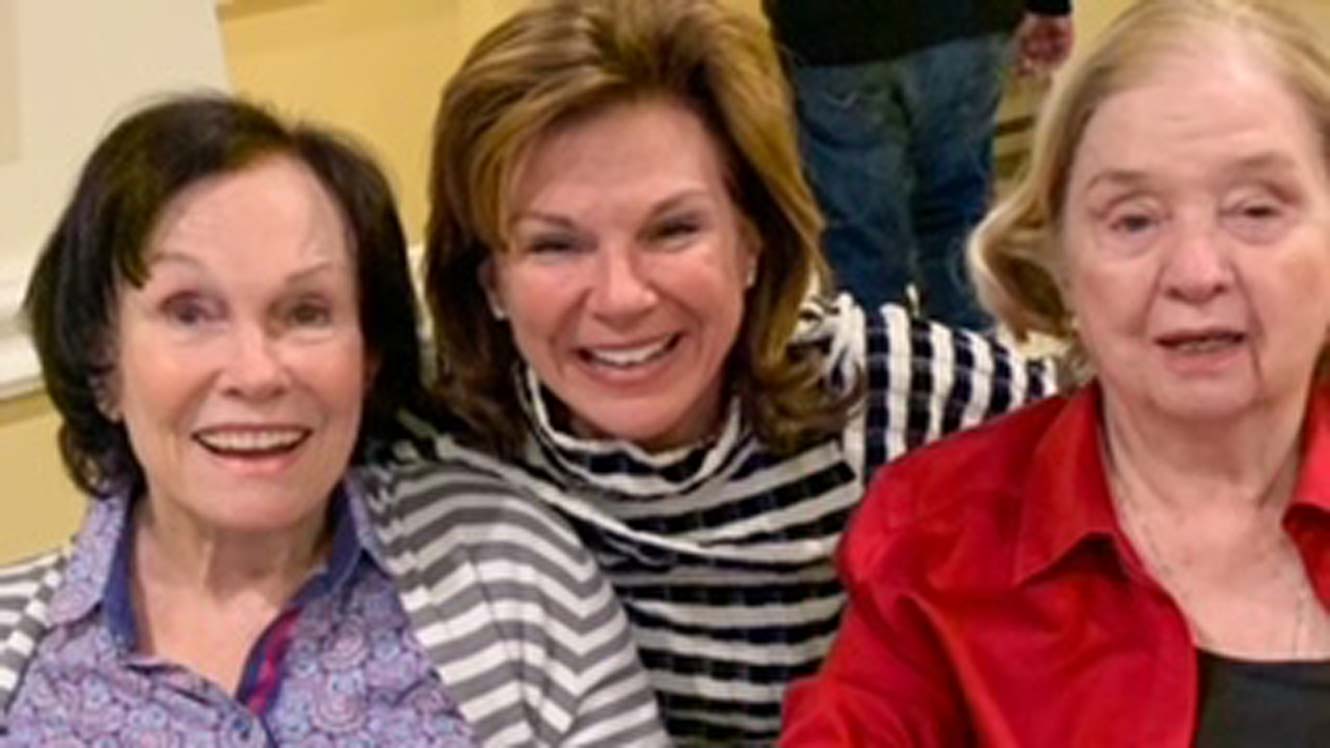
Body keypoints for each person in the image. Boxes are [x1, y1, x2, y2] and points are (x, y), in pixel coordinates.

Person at [393, 0, 1052, 742]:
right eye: (555, 245)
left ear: (752, 243)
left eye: (673, 230)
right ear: (490, 280)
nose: (621, 298)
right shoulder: (435, 446)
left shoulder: (892, 396)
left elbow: (1123, 456)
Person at [0, 94, 666, 746]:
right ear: (102, 362)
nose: (257, 373)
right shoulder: (18, 647)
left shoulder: (504, 572)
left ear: (369, 355)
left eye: (307, 312)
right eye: (190, 313)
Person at [781, 0, 1330, 744]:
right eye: (1133, 219)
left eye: (1255, 210)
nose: (1196, 272)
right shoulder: (936, 542)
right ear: (1059, 264)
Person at [764, 0, 1074, 328]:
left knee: (860, 241)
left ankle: (877, 350)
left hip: (829, 35)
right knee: (959, 217)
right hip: (966, 23)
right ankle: (971, 349)